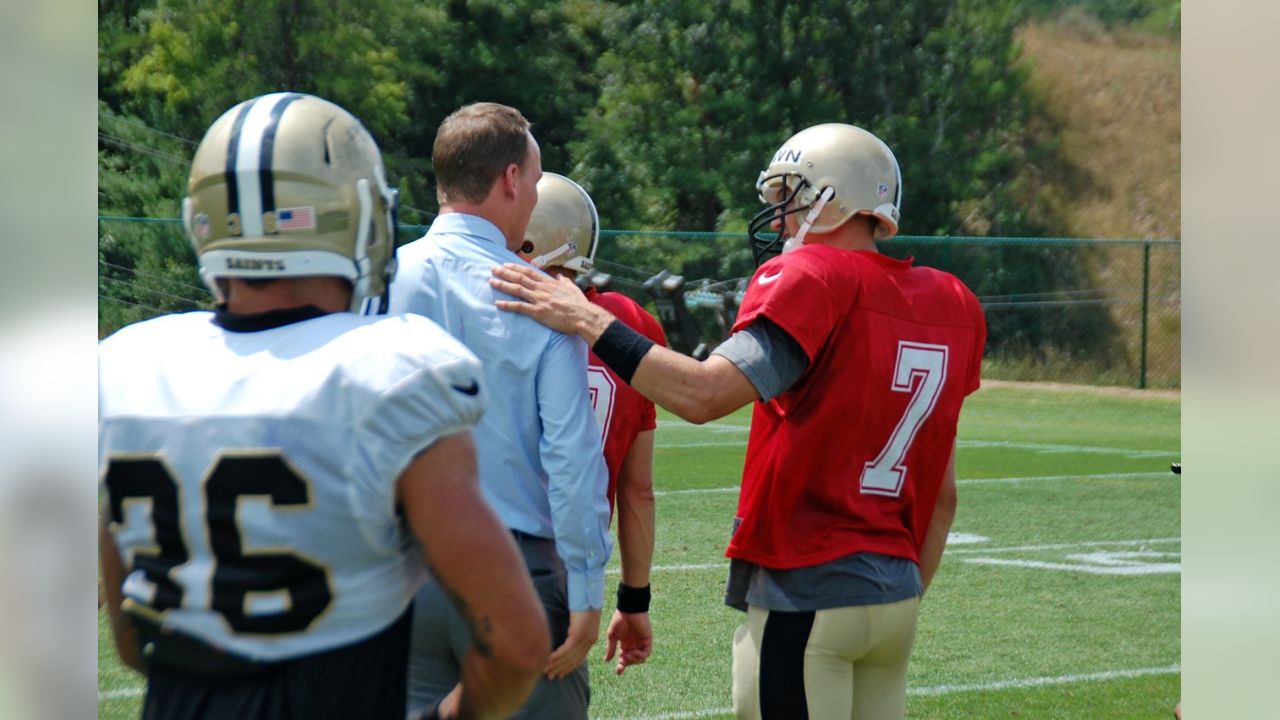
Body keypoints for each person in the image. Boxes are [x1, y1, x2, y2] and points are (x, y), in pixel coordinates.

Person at [490, 123, 987, 720]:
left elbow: (702, 396)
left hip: (808, 590)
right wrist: (896, 594)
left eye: (788, 199)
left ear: (832, 198)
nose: (777, 220)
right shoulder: (953, 302)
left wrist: (588, 320)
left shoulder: (816, 278)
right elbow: (942, 498)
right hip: (896, 599)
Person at [97, 92, 549, 720]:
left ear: (201, 219)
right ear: (358, 215)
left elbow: (130, 636)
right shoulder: (392, 369)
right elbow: (518, 645)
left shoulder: (121, 368)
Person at [391, 103, 612, 719]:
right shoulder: (541, 296)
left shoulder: (374, 281)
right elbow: (570, 463)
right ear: (512, 180)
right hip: (512, 575)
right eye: (536, 183)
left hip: (396, 571)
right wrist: (588, 592)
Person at [518, 172, 667, 676]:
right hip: (572, 572)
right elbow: (638, 489)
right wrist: (635, 597)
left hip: (491, 551)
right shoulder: (632, 323)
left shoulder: (494, 313)